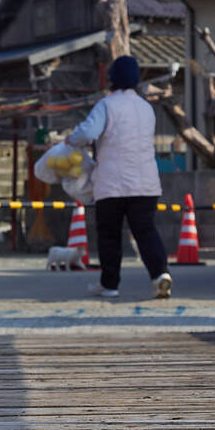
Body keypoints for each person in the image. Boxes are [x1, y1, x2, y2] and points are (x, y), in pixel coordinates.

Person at [64, 55, 172, 299]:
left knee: (110, 234)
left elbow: (88, 132)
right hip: (146, 184)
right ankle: (160, 274)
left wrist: (72, 139)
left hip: (112, 184)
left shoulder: (107, 105)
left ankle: (110, 284)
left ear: (113, 78)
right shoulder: (146, 108)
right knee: (146, 231)